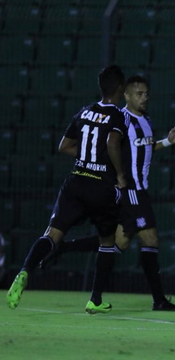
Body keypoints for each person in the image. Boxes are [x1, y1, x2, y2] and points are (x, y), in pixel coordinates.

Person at [42, 75, 175, 312]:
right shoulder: (122, 119)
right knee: (150, 239)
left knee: (118, 244)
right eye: (138, 93)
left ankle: (64, 248)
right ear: (126, 95)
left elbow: (144, 146)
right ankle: (158, 300)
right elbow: (109, 148)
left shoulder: (145, 120)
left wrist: (168, 142)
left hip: (138, 189)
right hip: (131, 189)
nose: (144, 97)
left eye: (146, 93)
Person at [6, 65, 128, 314]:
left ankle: (24, 271)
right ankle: (95, 299)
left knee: (52, 234)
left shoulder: (84, 112)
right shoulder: (117, 115)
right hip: (100, 184)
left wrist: (86, 155)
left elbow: (64, 146)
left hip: (75, 181)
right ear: (119, 88)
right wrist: (120, 175)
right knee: (107, 241)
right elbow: (113, 143)